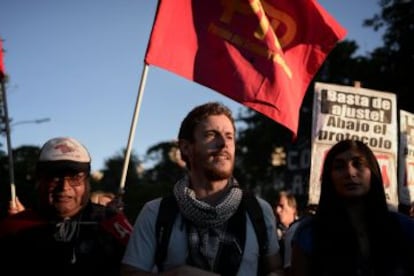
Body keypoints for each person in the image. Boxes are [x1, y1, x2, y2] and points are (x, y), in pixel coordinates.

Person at [121, 102, 284, 276]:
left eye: (229, 136)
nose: (223, 144)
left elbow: (276, 269)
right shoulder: (156, 212)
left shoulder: (258, 211)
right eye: (211, 135)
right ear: (185, 147)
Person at [0, 137, 132, 275]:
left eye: (75, 178)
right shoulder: (11, 229)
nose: (64, 187)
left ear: (87, 182)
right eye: (54, 177)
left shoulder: (113, 226)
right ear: (39, 180)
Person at [290, 139, 414, 276]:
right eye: (339, 167)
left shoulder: (404, 227)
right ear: (328, 177)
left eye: (358, 164)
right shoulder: (310, 233)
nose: (350, 173)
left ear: (372, 172)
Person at [273, 190, 299, 273]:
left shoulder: (301, 231)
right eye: (277, 206)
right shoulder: (273, 232)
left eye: (281, 206)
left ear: (293, 209)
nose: (277, 210)